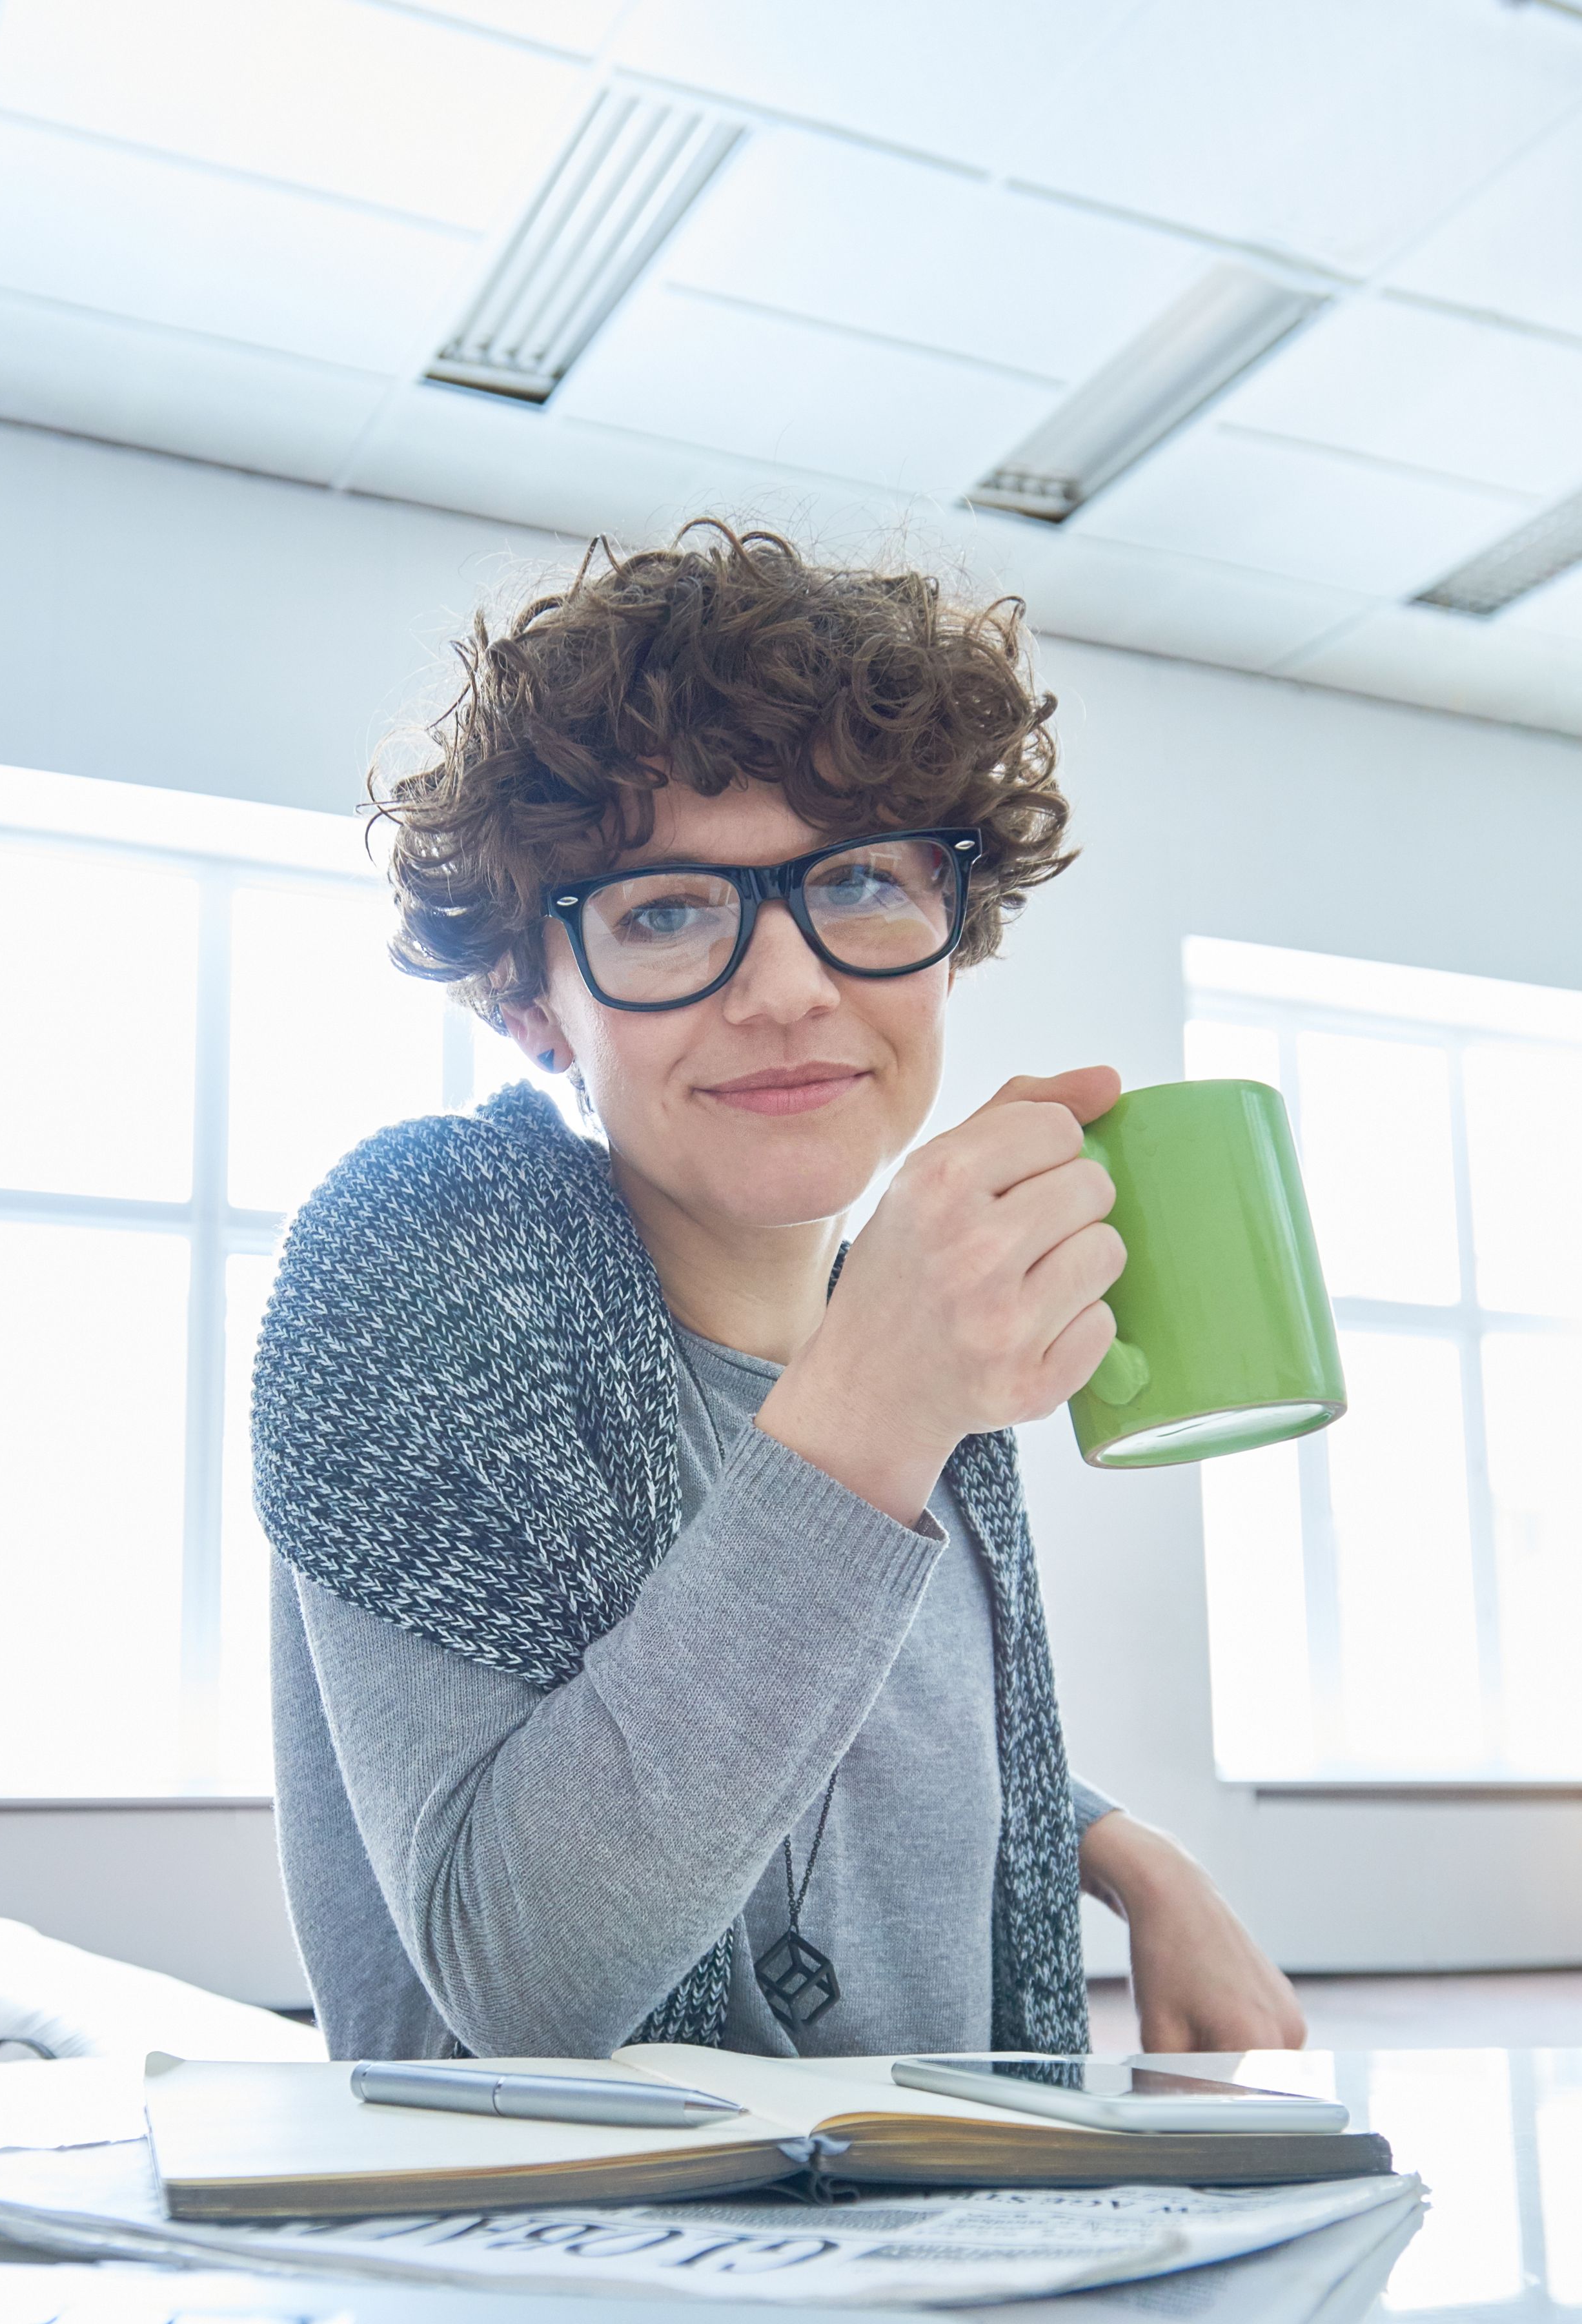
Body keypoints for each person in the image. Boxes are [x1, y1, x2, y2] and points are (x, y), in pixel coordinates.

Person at [256, 524, 1304, 2063]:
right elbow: (523, 1986)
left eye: (863, 881)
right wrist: (880, 1402)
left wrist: (1124, 1853)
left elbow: (850, 1739)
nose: (789, 987)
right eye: (666, 911)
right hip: (573, 2283)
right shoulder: (424, 1258)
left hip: (942, 2269)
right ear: (528, 996)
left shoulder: (897, 1353)